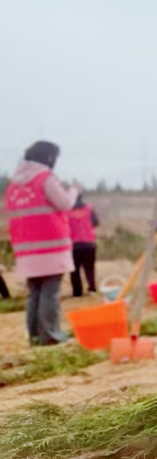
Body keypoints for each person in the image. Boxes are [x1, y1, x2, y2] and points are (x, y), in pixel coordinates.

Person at [4, 141, 79, 346]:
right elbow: (64, 204)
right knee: (50, 292)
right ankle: (50, 335)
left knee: (34, 292)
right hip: (51, 245)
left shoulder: (13, 185)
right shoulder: (44, 179)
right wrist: (73, 191)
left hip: (25, 247)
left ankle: (35, 336)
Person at [68, 194, 99, 297]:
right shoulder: (89, 208)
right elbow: (96, 223)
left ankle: (77, 292)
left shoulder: (67, 211)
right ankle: (92, 288)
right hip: (89, 243)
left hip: (73, 245)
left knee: (74, 270)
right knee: (90, 269)